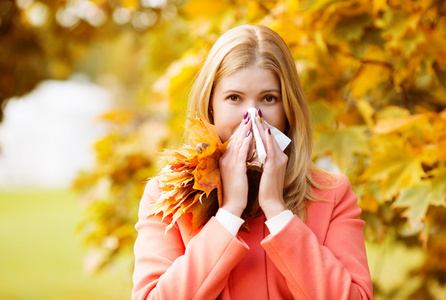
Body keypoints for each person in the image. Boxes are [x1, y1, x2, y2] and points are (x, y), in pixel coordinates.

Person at [132, 24, 373, 300]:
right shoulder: (166, 195)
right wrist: (229, 214)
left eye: (269, 99)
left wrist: (278, 213)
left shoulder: (332, 195)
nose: (252, 117)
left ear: (288, 109)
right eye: (234, 98)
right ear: (211, 105)